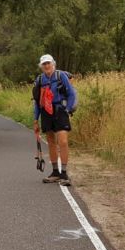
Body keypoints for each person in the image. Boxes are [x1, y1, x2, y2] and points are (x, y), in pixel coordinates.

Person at [32, 54, 77, 186]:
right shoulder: (40, 79)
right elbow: (37, 101)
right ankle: (55, 173)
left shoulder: (60, 75)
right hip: (46, 112)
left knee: (63, 141)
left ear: (53, 64)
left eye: (48, 63)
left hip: (60, 110)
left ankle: (64, 173)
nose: (46, 66)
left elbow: (71, 93)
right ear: (41, 66)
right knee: (51, 142)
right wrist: (35, 119)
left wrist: (68, 110)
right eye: (44, 64)